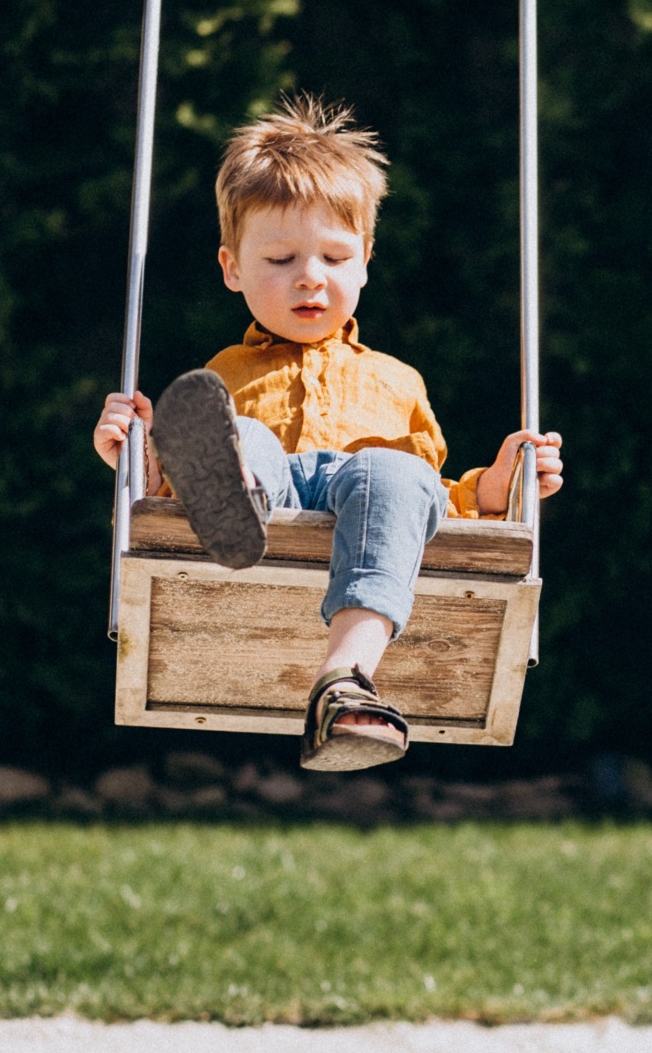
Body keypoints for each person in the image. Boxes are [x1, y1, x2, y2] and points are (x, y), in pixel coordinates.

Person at [92, 95, 563, 772]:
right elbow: (160, 507)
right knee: (240, 434)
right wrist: (133, 462)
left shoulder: (401, 382)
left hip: (364, 498)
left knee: (394, 475)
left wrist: (499, 487)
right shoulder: (220, 377)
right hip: (273, 493)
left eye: (335, 258)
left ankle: (345, 678)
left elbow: (438, 509)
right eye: (281, 258)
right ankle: (237, 499)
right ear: (231, 269)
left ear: (367, 260)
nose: (310, 276)